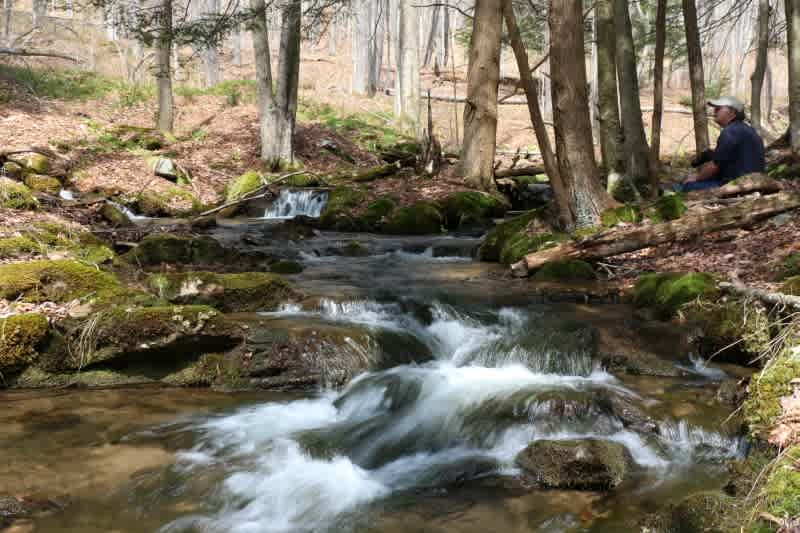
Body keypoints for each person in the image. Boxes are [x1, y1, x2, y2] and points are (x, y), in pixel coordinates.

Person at [674, 96, 766, 192]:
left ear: (732, 113)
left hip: (739, 186)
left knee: (687, 186)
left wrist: (696, 178)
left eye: (719, 108)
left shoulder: (730, 132)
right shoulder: (746, 130)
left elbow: (715, 166)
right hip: (751, 182)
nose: (715, 111)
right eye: (715, 108)